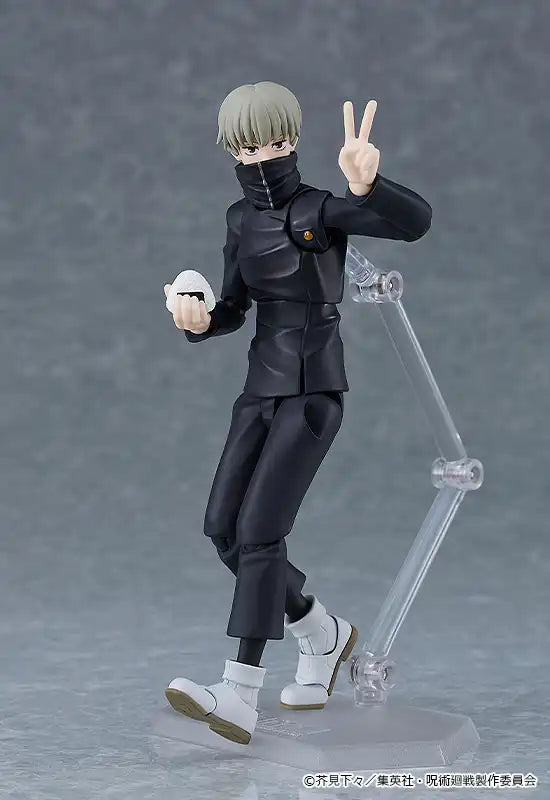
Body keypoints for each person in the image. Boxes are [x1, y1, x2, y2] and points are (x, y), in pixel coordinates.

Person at [163, 82, 432, 744]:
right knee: (222, 529)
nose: (263, 156)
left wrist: (370, 186)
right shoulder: (239, 220)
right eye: (249, 146)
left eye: (276, 141)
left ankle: (239, 691)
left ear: (293, 140)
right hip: (260, 388)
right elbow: (234, 305)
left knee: (260, 533)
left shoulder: (319, 209)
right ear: (233, 149)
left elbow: (413, 224)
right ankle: (321, 631)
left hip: (313, 392)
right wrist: (200, 320)